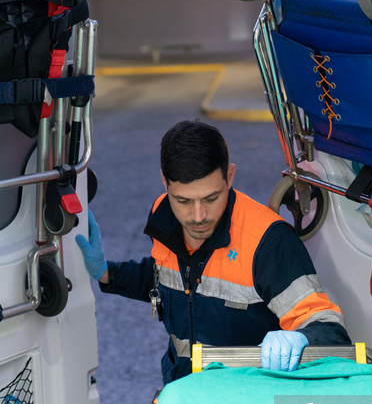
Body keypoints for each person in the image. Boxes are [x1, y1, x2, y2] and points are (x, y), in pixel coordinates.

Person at [76, 119, 350, 384]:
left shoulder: (268, 242)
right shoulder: (163, 214)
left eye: (211, 198)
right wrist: (106, 273)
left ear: (230, 176)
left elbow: (330, 330)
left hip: (245, 399)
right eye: (183, 200)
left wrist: (302, 338)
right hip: (184, 390)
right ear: (165, 183)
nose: (197, 216)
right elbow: (170, 278)